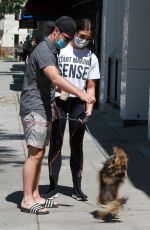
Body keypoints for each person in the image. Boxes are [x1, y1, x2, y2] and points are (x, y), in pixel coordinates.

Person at [19, 16, 95, 215]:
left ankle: (35, 195)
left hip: (43, 106)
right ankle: (27, 199)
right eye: (67, 37)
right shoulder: (44, 50)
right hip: (34, 107)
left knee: (40, 153)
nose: (68, 41)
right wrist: (81, 93)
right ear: (56, 32)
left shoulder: (53, 49)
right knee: (34, 154)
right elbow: (55, 78)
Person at [46, 18, 100, 202]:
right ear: (74, 33)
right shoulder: (61, 50)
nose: (83, 39)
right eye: (80, 35)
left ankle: (77, 188)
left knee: (76, 145)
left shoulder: (91, 57)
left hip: (78, 103)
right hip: (60, 102)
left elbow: (90, 86)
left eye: (88, 37)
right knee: (56, 143)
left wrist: (89, 109)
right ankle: (53, 186)